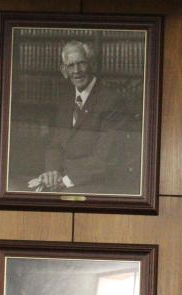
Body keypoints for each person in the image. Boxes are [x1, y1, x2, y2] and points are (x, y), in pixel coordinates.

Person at [29, 40, 138, 195]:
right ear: (63, 70)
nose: (77, 70)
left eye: (81, 63)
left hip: (97, 186)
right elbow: (55, 145)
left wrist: (64, 180)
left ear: (91, 64)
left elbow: (106, 158)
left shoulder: (111, 101)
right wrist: (52, 172)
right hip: (64, 182)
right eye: (71, 66)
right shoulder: (65, 100)